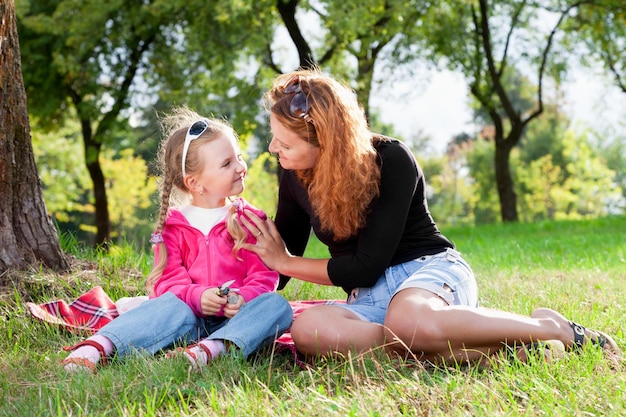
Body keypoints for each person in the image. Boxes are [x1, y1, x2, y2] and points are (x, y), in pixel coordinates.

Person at [240, 68, 621, 366]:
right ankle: (489, 354)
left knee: (408, 324)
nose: (274, 148)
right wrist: (241, 292)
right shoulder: (292, 173)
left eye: (285, 142)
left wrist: (285, 260)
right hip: (368, 300)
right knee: (309, 330)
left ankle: (549, 328)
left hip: (426, 273)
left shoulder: (391, 159)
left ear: (326, 140)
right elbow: (282, 260)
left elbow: (364, 266)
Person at [62, 108, 293, 372]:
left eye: (238, 158)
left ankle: (212, 349)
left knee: (277, 307)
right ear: (195, 183)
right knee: (167, 305)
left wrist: (242, 297)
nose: (240, 167)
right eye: (227, 163)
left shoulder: (250, 220)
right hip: (185, 320)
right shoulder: (173, 226)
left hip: (236, 320)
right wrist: (198, 296)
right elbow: (168, 281)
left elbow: (264, 277)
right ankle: (96, 347)